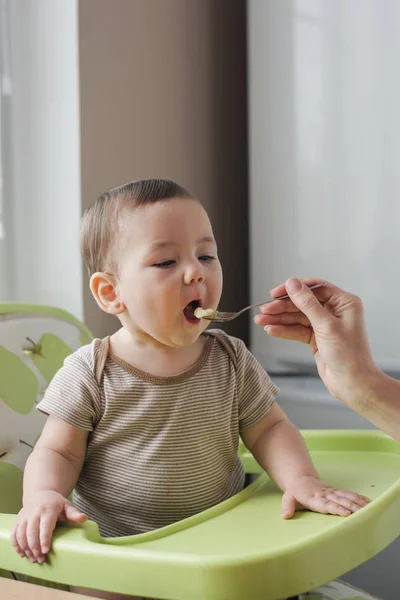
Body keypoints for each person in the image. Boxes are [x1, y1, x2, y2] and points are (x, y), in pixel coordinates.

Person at [10, 181, 369, 600]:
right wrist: (43, 496)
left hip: (222, 547)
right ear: (111, 293)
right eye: (165, 261)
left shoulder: (230, 358)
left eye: (206, 255)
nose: (196, 270)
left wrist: (302, 479)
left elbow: (270, 429)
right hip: (124, 558)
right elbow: (57, 451)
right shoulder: (91, 370)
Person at [254, 277, 400, 442]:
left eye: (216, 257)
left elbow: (269, 428)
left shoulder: (234, 354)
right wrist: (361, 383)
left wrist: (362, 382)